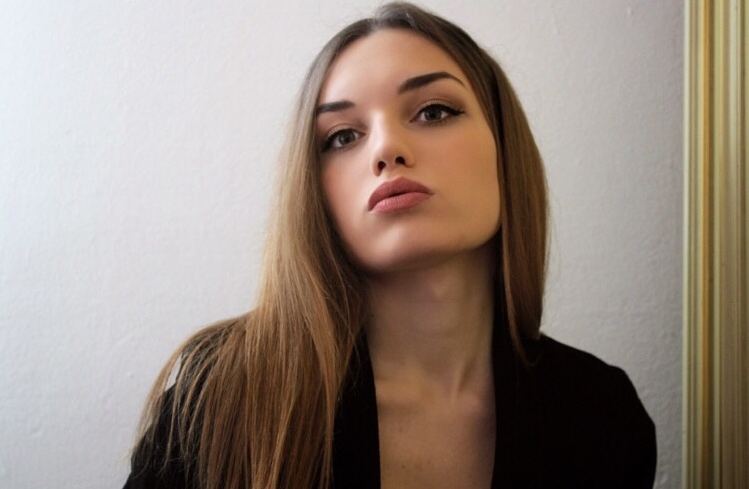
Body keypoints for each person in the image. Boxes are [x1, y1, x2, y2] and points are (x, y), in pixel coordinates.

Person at [123, 3, 656, 488]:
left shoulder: (601, 416)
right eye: (342, 137)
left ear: (504, 145)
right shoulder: (220, 398)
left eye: (434, 111)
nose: (386, 149)